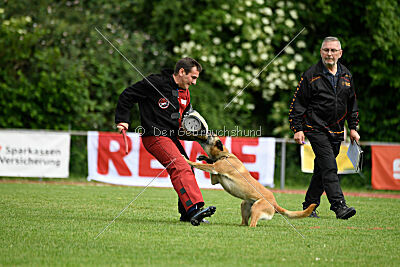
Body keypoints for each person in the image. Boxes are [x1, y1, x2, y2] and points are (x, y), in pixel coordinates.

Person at [115, 57, 216, 226]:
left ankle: (186, 213)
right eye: (193, 77)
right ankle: (195, 210)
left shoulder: (185, 92)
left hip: (171, 137)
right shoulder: (155, 82)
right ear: (182, 72)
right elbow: (127, 95)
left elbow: (184, 119)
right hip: (154, 136)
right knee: (180, 166)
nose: (194, 82)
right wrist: (122, 120)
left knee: (188, 166)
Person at [288, 37, 360, 219]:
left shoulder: (346, 75)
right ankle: (339, 206)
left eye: (333, 50)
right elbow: (297, 105)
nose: (329, 54)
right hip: (315, 128)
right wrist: (297, 128)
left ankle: (309, 206)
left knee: (321, 169)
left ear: (340, 53)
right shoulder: (310, 75)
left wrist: (353, 128)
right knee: (329, 166)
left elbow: (352, 104)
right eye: (326, 50)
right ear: (321, 52)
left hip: (337, 130)